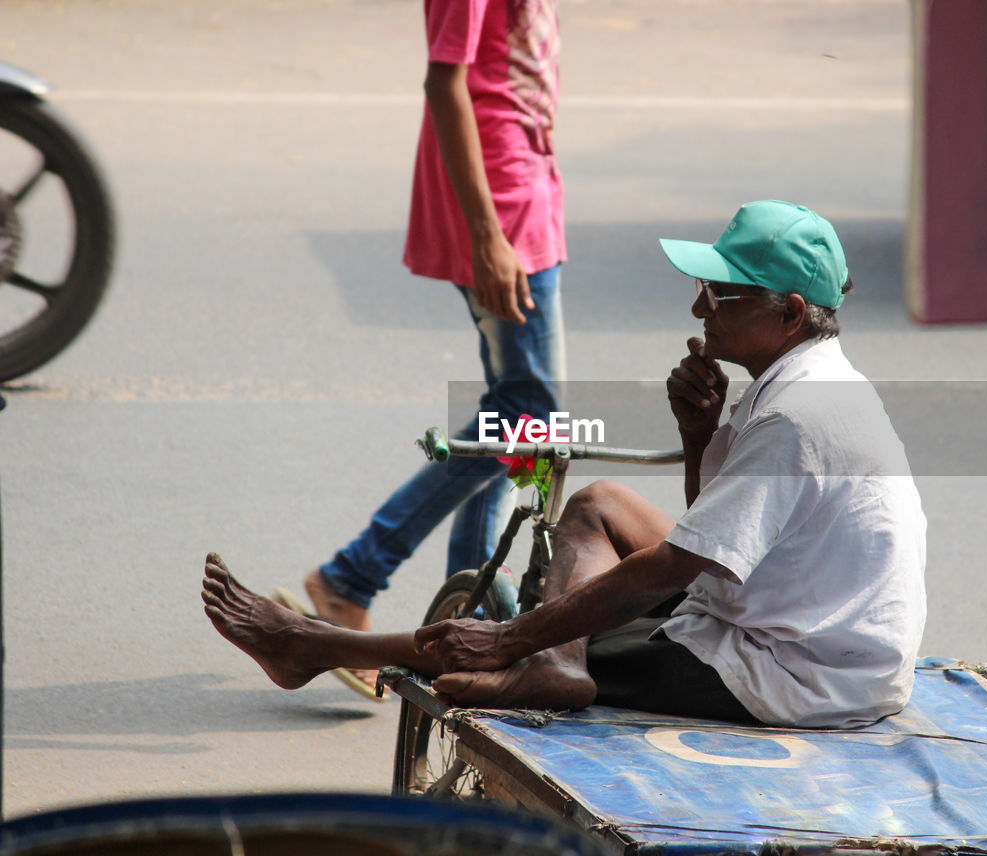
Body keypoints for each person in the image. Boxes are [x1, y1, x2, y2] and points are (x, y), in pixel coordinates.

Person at [207, 201, 927, 728]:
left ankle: (313, 644)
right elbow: (715, 532)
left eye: (719, 295)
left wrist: (516, 634)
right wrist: (700, 427)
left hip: (799, 672)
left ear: (791, 314)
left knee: (509, 650)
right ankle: (553, 662)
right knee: (601, 502)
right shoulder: (803, 383)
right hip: (804, 620)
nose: (698, 307)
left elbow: (677, 565)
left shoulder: (797, 416)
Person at [288, 0, 568, 695]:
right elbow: (445, 83)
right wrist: (486, 234)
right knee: (534, 418)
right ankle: (353, 573)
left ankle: (467, 619)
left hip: (527, 195)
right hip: (500, 209)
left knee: (515, 413)